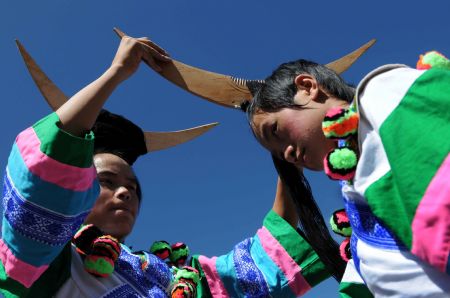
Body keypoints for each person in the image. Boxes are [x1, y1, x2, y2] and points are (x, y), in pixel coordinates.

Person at [0, 35, 330, 297]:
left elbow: (262, 263)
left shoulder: (172, 276)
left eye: (132, 187)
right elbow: (50, 169)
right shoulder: (48, 259)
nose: (124, 193)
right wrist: (116, 74)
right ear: (75, 188)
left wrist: (280, 139)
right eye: (107, 181)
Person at [246, 53, 450, 297]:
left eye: (276, 130)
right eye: (279, 154)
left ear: (307, 87)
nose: (287, 155)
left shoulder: (382, 94)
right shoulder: (353, 200)